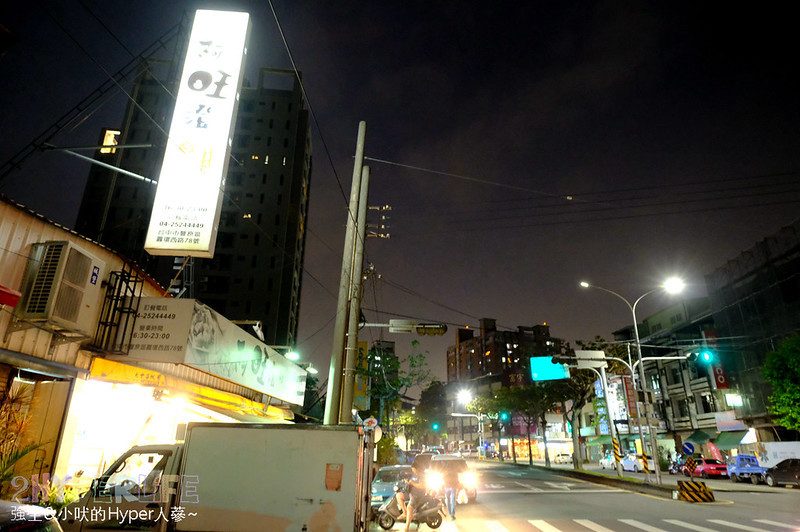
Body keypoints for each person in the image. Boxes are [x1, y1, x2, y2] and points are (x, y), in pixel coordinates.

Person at [404, 463, 426, 532]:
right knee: (399, 496)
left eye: (413, 469)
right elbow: (411, 481)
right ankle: (405, 513)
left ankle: (406, 527)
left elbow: (422, 486)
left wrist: (412, 483)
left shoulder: (422, 475)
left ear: (417, 468)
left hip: (417, 494)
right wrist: (407, 482)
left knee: (409, 507)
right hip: (410, 493)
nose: (412, 470)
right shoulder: (413, 474)